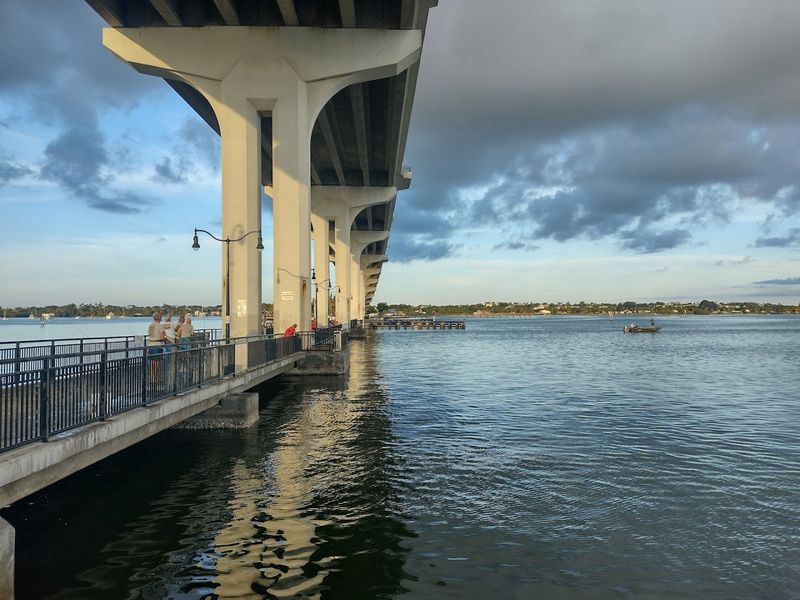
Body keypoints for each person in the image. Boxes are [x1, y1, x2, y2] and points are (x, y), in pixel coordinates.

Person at [147, 312, 166, 382]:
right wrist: (165, 338)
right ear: (159, 318)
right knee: (156, 363)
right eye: (161, 317)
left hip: (150, 344)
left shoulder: (151, 325)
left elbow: (150, 334)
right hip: (157, 345)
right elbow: (162, 337)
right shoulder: (160, 326)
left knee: (152, 363)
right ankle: (155, 378)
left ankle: (152, 377)